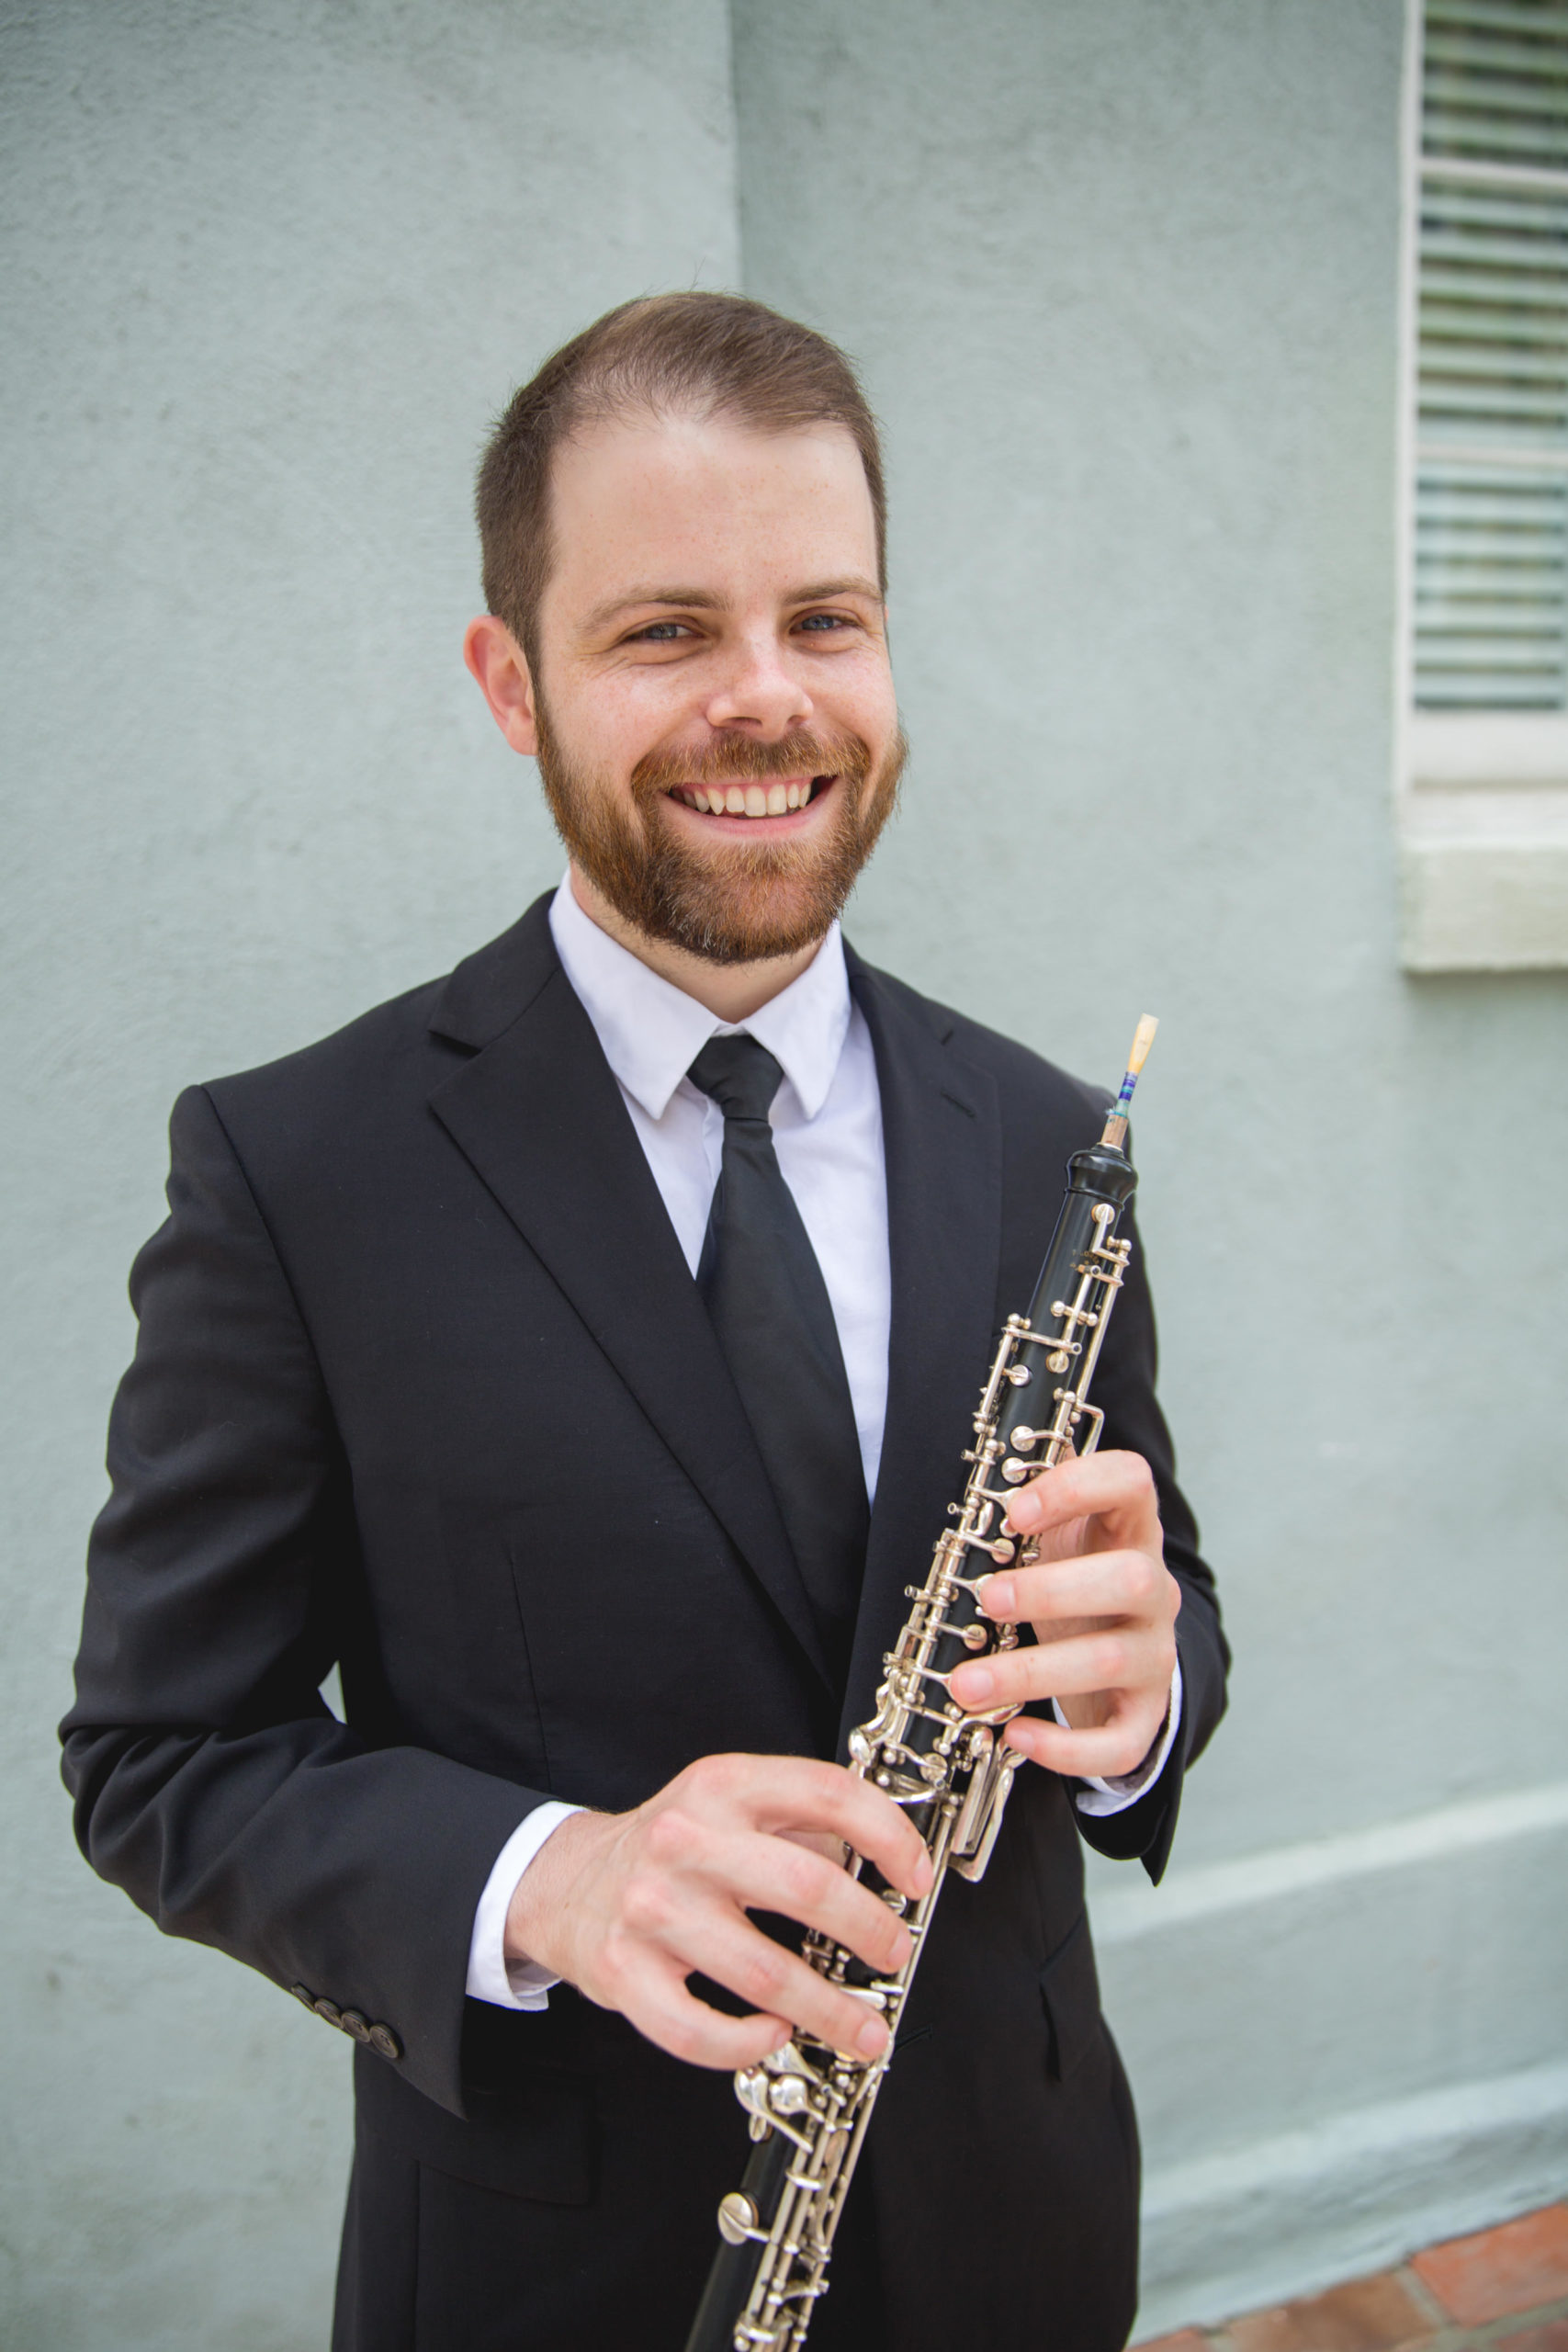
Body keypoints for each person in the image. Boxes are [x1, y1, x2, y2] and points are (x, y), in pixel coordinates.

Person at [62, 293, 1227, 2352]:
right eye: (665, 629)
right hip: (556, 2271)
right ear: (510, 681)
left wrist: (1135, 1707)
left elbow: (1163, 1614)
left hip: (1016, 2226)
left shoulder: (1051, 1138)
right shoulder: (295, 1168)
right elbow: (164, 1753)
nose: (766, 701)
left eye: (827, 618)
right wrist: (560, 1879)